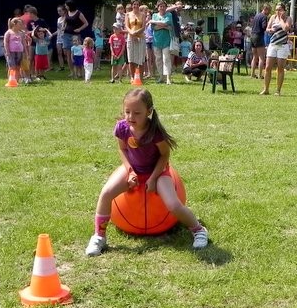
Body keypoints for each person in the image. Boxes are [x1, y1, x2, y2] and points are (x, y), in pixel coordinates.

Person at [84, 88, 209, 256]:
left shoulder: (154, 132)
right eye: (127, 112)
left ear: (148, 112)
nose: (131, 117)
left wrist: (153, 178)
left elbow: (164, 155)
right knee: (106, 193)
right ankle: (99, 236)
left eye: (137, 113)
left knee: (173, 204)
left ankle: (198, 230)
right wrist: (130, 171)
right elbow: (122, 149)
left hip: (157, 171)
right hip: (133, 169)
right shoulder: (122, 127)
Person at [260, 3, 292, 96]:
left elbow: (285, 28)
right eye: (277, 9)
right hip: (273, 44)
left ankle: (278, 90)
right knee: (267, 67)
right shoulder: (273, 17)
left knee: (280, 68)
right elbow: (267, 28)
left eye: (280, 9)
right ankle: (266, 89)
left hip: (282, 46)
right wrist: (270, 30)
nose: (278, 11)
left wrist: (281, 19)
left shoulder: (288, 18)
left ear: (284, 10)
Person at [149, 0, 174, 85]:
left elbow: (167, 24)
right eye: (160, 6)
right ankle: (161, 76)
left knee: (166, 59)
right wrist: (164, 26)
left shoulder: (169, 15)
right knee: (158, 59)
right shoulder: (154, 15)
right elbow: (154, 28)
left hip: (166, 41)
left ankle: (168, 78)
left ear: (166, 7)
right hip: (156, 41)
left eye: (163, 6)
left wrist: (154, 22)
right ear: (158, 7)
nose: (162, 8)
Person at [63, 0, 88, 74]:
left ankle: (79, 71)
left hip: (75, 35)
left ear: (70, 5)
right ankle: (72, 72)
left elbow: (86, 23)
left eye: (66, 5)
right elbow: (65, 21)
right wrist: (64, 27)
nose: (65, 7)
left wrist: (79, 29)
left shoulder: (78, 13)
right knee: (68, 54)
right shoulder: (67, 12)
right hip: (66, 34)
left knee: (78, 53)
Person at [125, 0, 146, 79]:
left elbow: (143, 27)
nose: (136, 6)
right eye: (134, 4)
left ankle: (140, 77)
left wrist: (136, 33)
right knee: (131, 58)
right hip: (131, 38)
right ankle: (132, 77)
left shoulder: (142, 15)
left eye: (137, 4)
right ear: (132, 5)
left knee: (141, 58)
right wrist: (132, 33)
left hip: (140, 38)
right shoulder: (128, 14)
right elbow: (127, 26)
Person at [53, 4, 67, 71]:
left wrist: (63, 29)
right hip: (59, 37)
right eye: (58, 11)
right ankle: (62, 67)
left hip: (65, 37)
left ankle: (71, 65)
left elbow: (65, 28)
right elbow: (58, 30)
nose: (59, 12)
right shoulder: (58, 19)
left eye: (60, 11)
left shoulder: (67, 18)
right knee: (59, 52)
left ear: (64, 11)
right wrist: (53, 34)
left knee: (65, 53)